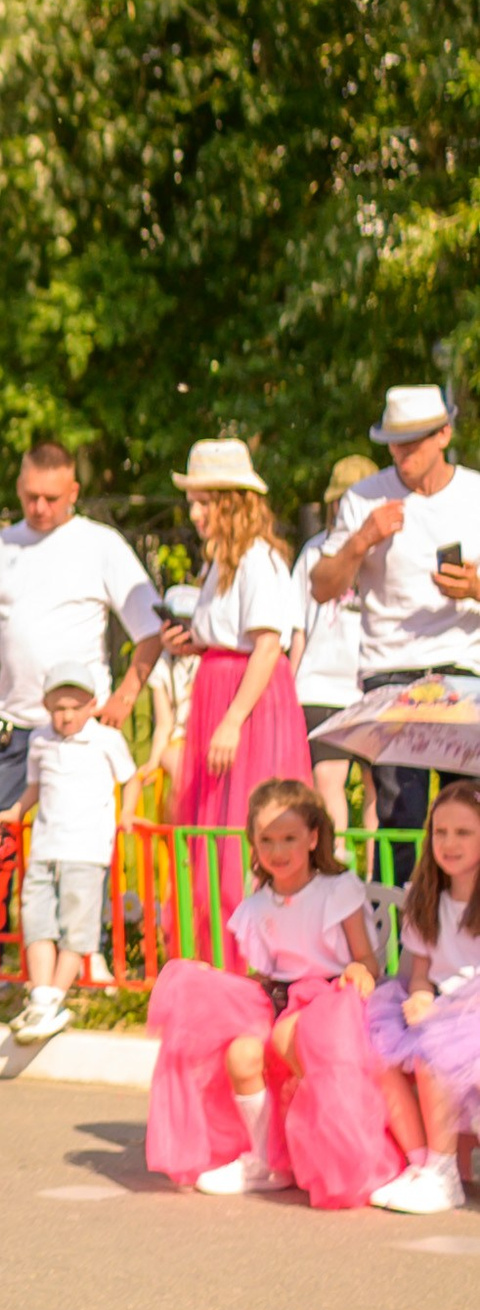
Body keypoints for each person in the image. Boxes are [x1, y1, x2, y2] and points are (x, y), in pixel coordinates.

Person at [144, 778, 393, 1206]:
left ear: (314, 837)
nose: (278, 851)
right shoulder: (259, 904)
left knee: (291, 1039)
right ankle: (266, 1160)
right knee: (239, 1052)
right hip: (278, 997)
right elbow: (268, 973)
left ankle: (323, 1149)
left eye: (290, 838)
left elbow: (366, 961)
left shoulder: (338, 889)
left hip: (330, 997)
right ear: (253, 843)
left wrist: (359, 970)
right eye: (267, 840)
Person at [308, 386, 480, 872]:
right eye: (393, 443)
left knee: (465, 814)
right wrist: (362, 540)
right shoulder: (365, 497)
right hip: (392, 672)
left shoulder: (474, 494)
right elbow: (322, 587)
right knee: (398, 814)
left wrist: (473, 588)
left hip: (463, 668)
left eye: (413, 442)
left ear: (444, 434)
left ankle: (462, 934)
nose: (401, 455)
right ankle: (401, 935)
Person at [0, 439, 162, 815]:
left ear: (73, 492)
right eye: (31, 496)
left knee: (78, 851)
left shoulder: (101, 544)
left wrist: (127, 695)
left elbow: (152, 629)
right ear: (19, 488)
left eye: (51, 498)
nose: (39, 508)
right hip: (14, 729)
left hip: (80, 729)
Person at [163, 438, 311, 943]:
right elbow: (226, 634)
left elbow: (268, 647)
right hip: (219, 691)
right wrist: (190, 642)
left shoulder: (258, 559)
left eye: (204, 501)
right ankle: (216, 950)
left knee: (242, 827)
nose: (196, 512)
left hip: (248, 705)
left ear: (230, 502)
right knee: (215, 828)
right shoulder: (220, 564)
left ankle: (254, 953)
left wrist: (233, 719)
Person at [364, 780, 480, 1215]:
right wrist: (418, 996)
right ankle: (422, 1163)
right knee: (378, 1052)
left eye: (464, 833)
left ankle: (445, 1171)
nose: (448, 843)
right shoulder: (426, 899)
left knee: (434, 1052)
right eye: (440, 832)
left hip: (472, 1013)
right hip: (443, 1005)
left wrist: (441, 1009)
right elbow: (419, 973)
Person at [8, 673, 138, 1044]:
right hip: (45, 847)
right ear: (46, 707)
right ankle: (41, 996)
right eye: (58, 708)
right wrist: (17, 811)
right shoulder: (40, 740)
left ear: (92, 705)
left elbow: (130, 778)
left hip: (86, 849)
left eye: (74, 707)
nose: (65, 716)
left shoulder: (106, 740)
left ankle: (54, 998)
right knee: (36, 920)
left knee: (75, 928)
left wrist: (126, 813)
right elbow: (35, 785)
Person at [292, 456, 376, 836]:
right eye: (340, 501)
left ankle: (382, 891)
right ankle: (338, 868)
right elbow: (297, 627)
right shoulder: (315, 551)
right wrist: (290, 687)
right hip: (320, 685)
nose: (345, 509)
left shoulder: (390, 551)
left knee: (383, 790)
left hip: (372, 682)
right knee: (327, 784)